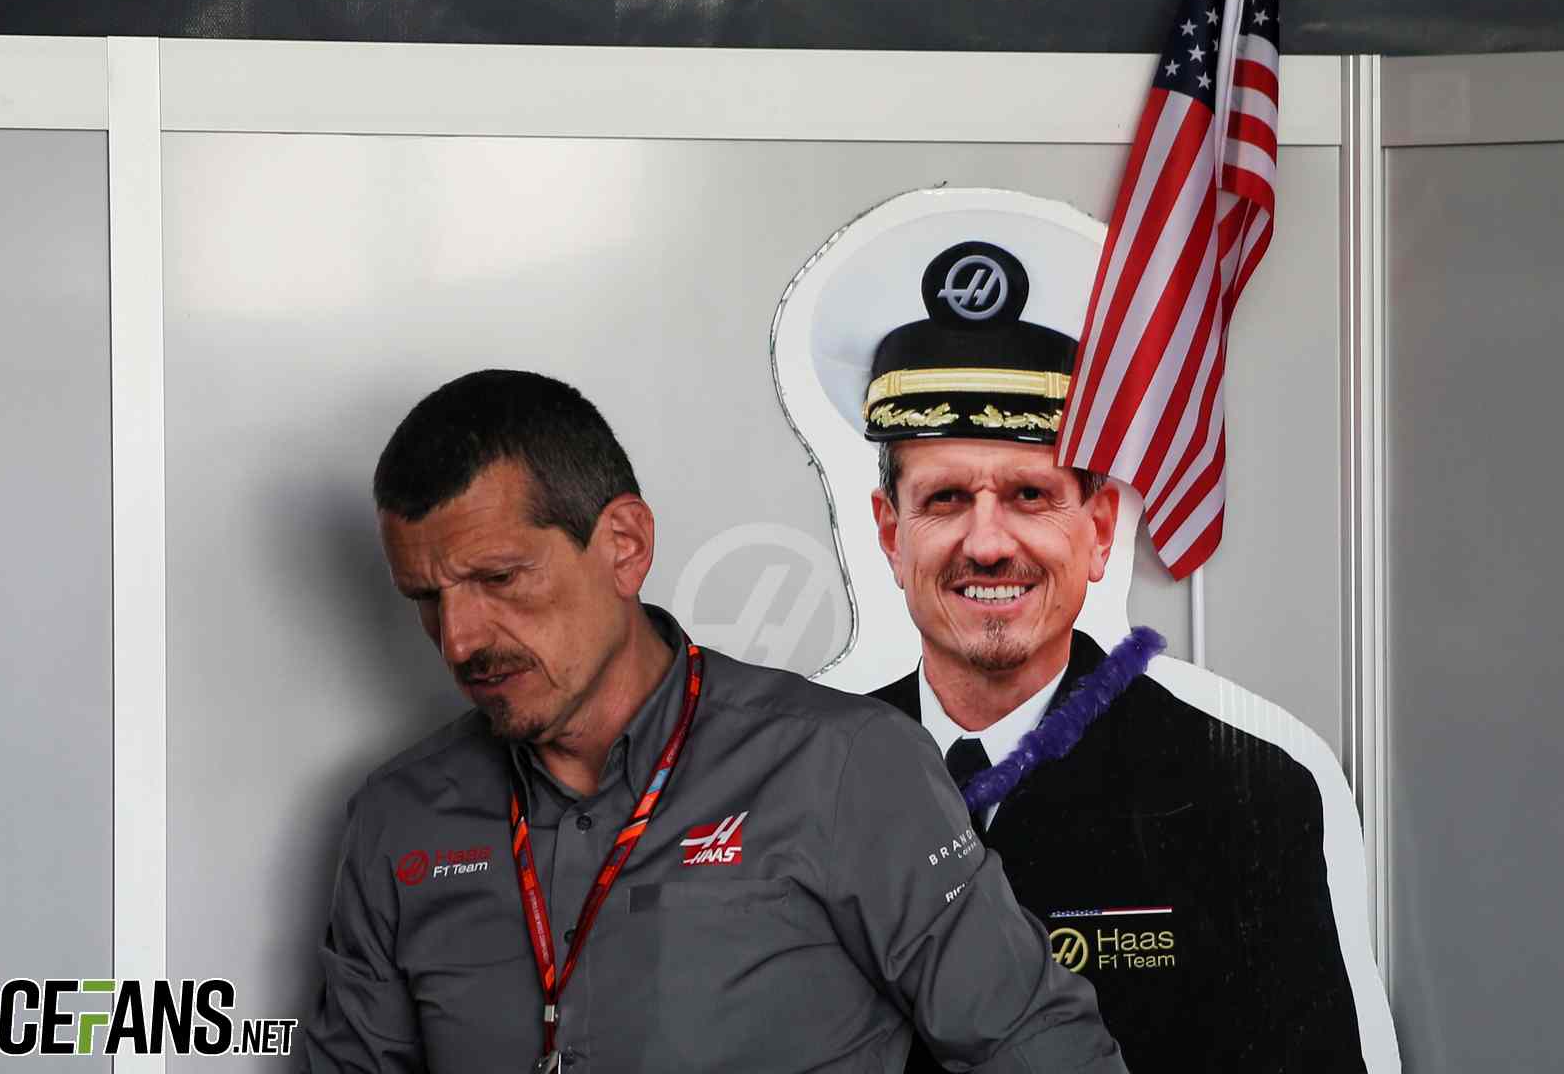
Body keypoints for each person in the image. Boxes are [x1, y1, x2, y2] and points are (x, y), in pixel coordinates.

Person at [300, 368, 1126, 1073]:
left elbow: (1039, 1049)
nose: (460, 640)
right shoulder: (397, 818)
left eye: (499, 579)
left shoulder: (842, 766)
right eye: (426, 600)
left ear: (624, 544)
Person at [864, 241, 1370, 1071]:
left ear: (1098, 532)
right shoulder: (808, 777)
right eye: (946, 498)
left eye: (1031, 495)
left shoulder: (1240, 795)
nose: (987, 543)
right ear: (892, 535)